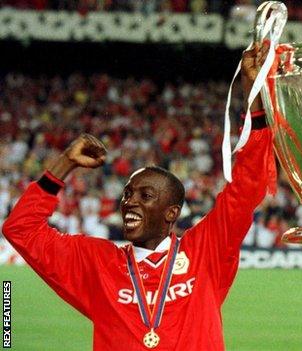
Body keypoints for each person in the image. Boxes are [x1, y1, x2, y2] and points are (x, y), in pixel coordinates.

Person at [2, 44, 272, 350]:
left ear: (171, 212)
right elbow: (20, 229)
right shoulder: (97, 264)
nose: (130, 202)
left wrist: (255, 97)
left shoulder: (206, 251)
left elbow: (248, 184)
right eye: (127, 194)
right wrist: (64, 163)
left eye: (146, 195)